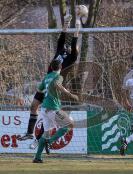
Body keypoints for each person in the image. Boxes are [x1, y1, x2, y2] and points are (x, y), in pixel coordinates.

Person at [18, 13, 81, 142]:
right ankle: (30, 133)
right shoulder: (60, 51)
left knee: (49, 114)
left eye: (75, 48)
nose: (72, 48)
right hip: (47, 81)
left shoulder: (71, 58)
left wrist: (77, 28)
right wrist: (66, 24)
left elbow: (74, 43)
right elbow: (62, 38)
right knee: (34, 106)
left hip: (54, 86)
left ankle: (42, 140)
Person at [33, 58, 79, 163]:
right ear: (61, 67)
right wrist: (70, 94)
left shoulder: (47, 77)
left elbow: (39, 90)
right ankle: (50, 142)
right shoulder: (59, 76)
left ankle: (37, 157)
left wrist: (48, 90)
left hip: (44, 108)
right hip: (52, 108)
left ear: (51, 67)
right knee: (69, 124)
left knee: (46, 133)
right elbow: (58, 85)